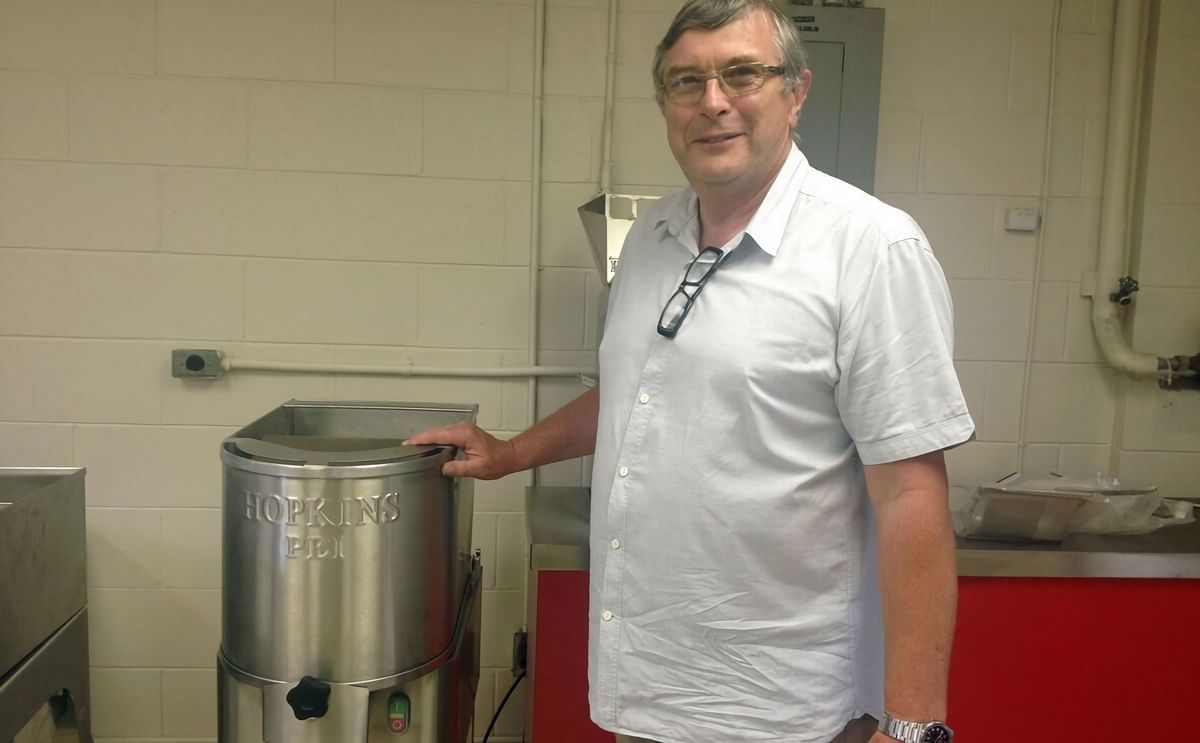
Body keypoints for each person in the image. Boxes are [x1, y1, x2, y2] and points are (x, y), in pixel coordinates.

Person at [409, 1, 974, 741]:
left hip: (782, 706)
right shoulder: (654, 233)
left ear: (796, 92)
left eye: (741, 73)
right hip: (647, 684)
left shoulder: (870, 249)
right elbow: (639, 391)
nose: (713, 102)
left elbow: (909, 493)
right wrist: (514, 452)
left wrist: (913, 725)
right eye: (686, 81)